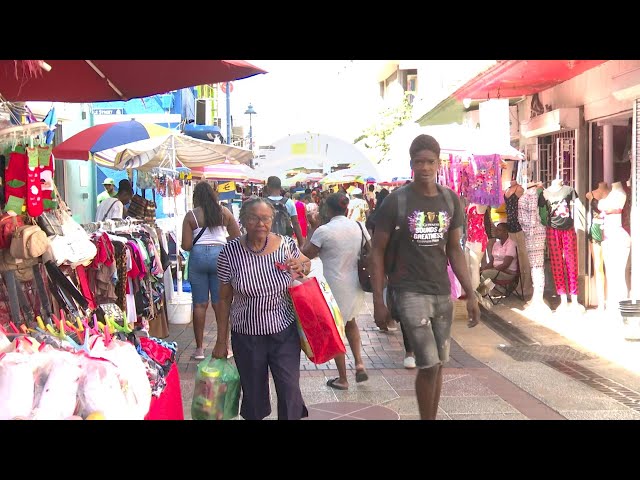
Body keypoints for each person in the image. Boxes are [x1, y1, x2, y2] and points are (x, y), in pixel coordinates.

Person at [370, 134, 480, 420]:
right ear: (411, 164)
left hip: (441, 291)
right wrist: (378, 302)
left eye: (430, 162)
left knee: (440, 363)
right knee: (428, 364)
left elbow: (454, 249)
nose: (425, 168)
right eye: (419, 162)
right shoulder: (396, 201)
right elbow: (377, 252)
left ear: (438, 164)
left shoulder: (450, 199)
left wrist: (470, 292)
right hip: (408, 291)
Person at [213, 197, 311, 420]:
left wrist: (301, 265)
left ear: (272, 220)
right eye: (253, 218)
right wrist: (221, 340)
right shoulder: (229, 252)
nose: (260, 223)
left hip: (283, 331)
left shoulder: (286, 244)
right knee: (254, 394)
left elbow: (306, 263)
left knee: (289, 388)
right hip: (246, 334)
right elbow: (224, 299)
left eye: (265, 218)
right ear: (243, 221)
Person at [301, 192, 370, 390]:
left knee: (336, 329)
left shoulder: (324, 231)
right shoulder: (359, 226)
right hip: (356, 283)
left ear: (328, 210)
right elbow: (370, 249)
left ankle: (343, 378)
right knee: (351, 322)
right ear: (346, 208)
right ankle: (359, 363)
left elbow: (305, 255)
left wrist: (313, 228)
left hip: (333, 285)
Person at [181, 181, 241, 360]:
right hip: (220, 256)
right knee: (221, 303)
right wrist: (221, 240)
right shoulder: (224, 212)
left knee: (199, 304)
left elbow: (186, 245)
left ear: (196, 197)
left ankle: (199, 349)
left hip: (198, 257)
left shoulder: (191, 215)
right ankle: (225, 346)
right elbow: (237, 237)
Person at [264, 176, 304, 243]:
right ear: (280, 187)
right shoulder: (289, 202)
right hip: (285, 241)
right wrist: (301, 243)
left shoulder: (263, 203)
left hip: (267, 241)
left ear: (268, 187)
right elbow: (295, 223)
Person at [479, 222, 518, 290]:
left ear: (505, 232)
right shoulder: (496, 244)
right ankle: (484, 293)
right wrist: (484, 269)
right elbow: (492, 261)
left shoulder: (510, 244)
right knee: (478, 272)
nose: (496, 232)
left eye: (499, 230)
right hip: (497, 270)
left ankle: (482, 294)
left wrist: (491, 270)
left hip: (507, 272)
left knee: (485, 274)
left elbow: (505, 265)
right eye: (496, 230)